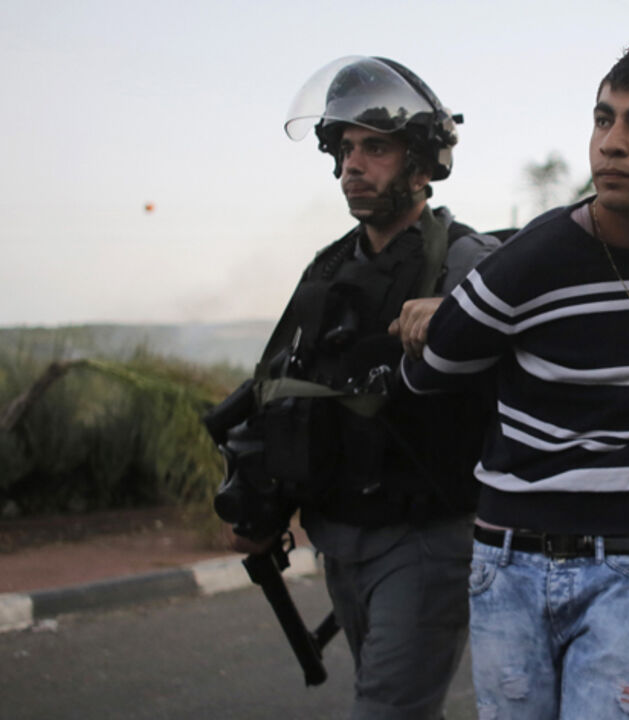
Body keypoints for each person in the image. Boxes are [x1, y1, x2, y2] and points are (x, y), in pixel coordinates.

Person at [397, 35, 629, 719]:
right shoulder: (527, 264)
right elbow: (430, 372)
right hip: (508, 563)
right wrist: (442, 319)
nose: (611, 143)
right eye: (603, 119)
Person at [226, 55, 500, 719]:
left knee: (384, 710)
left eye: (376, 148)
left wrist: (459, 319)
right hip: (340, 539)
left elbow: (527, 368)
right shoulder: (329, 268)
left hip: (427, 541)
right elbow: (281, 387)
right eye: (346, 149)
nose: (354, 165)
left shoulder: (467, 263)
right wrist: (260, 505)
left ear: (422, 161)